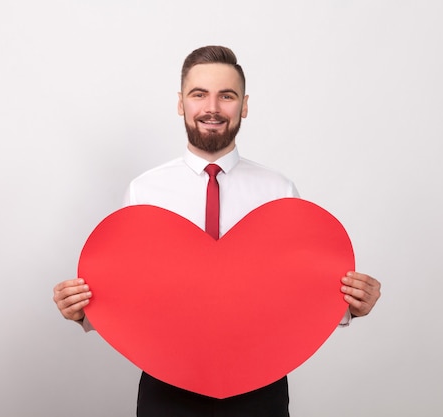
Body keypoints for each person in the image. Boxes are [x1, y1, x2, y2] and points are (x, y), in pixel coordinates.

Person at [53, 45, 381, 417]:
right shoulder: (144, 192)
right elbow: (131, 295)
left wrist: (351, 305)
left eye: (226, 96)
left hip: (260, 387)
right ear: (181, 103)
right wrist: (83, 311)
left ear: (244, 105)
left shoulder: (279, 191)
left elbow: (297, 291)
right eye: (199, 95)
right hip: (167, 386)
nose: (212, 108)